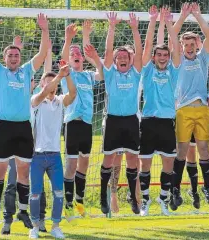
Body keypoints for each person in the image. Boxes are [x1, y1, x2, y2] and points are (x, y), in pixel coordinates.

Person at [0, 10, 50, 229]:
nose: (14, 58)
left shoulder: (27, 71)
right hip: (3, 127)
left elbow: (42, 53)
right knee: (0, 171)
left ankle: (22, 211)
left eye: (16, 55)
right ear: (5, 58)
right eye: (10, 55)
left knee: (23, 172)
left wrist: (45, 29)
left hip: (23, 128)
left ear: (20, 57)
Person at [91, 11, 144, 215]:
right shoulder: (110, 73)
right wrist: (111, 27)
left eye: (125, 57)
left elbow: (139, 51)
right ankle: (103, 198)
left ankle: (133, 199)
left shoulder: (135, 72)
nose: (123, 58)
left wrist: (134, 28)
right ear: (114, 61)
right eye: (119, 57)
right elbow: (108, 49)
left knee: (132, 160)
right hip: (112, 121)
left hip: (131, 121)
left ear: (130, 61)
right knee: (109, 160)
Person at [1, 35, 51, 236]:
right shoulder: (14, 94)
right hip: (16, 146)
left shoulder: (37, 99)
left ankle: (40, 219)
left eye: (33, 80)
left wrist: (46, 48)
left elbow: (46, 72)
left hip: (36, 149)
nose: (29, 82)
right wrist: (16, 49)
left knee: (37, 184)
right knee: (12, 182)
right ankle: (7, 220)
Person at [167, 2, 209, 211]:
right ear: (182, 46)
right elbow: (172, 35)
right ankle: (175, 190)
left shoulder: (203, 59)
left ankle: (206, 187)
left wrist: (198, 16)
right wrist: (184, 16)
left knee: (204, 149)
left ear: (197, 44)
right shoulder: (178, 60)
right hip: (183, 109)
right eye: (185, 43)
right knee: (182, 151)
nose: (189, 46)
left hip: (202, 108)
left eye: (192, 43)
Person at [137, 6, 182, 216]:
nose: (163, 57)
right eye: (159, 55)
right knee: (144, 164)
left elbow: (176, 47)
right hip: (148, 121)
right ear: (154, 57)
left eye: (165, 55)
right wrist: (154, 21)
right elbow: (147, 46)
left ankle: (163, 199)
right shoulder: (147, 71)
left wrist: (169, 23)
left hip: (166, 122)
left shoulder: (173, 71)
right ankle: (145, 200)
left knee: (168, 164)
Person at [28, 60, 76, 239]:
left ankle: (56, 226)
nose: (52, 86)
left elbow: (72, 93)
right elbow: (46, 91)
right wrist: (59, 75)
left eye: (54, 83)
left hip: (55, 155)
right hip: (37, 156)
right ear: (42, 84)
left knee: (58, 192)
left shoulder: (60, 100)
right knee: (35, 193)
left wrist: (67, 74)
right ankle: (34, 227)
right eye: (47, 83)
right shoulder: (36, 100)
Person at [60, 19, 103, 219]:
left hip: (87, 124)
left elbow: (101, 73)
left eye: (78, 54)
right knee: (71, 164)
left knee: (84, 163)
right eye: (73, 54)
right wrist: (68, 39)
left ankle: (79, 201)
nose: (76, 56)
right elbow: (62, 57)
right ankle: (68, 202)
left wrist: (92, 54)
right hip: (72, 123)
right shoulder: (66, 74)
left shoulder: (87, 75)